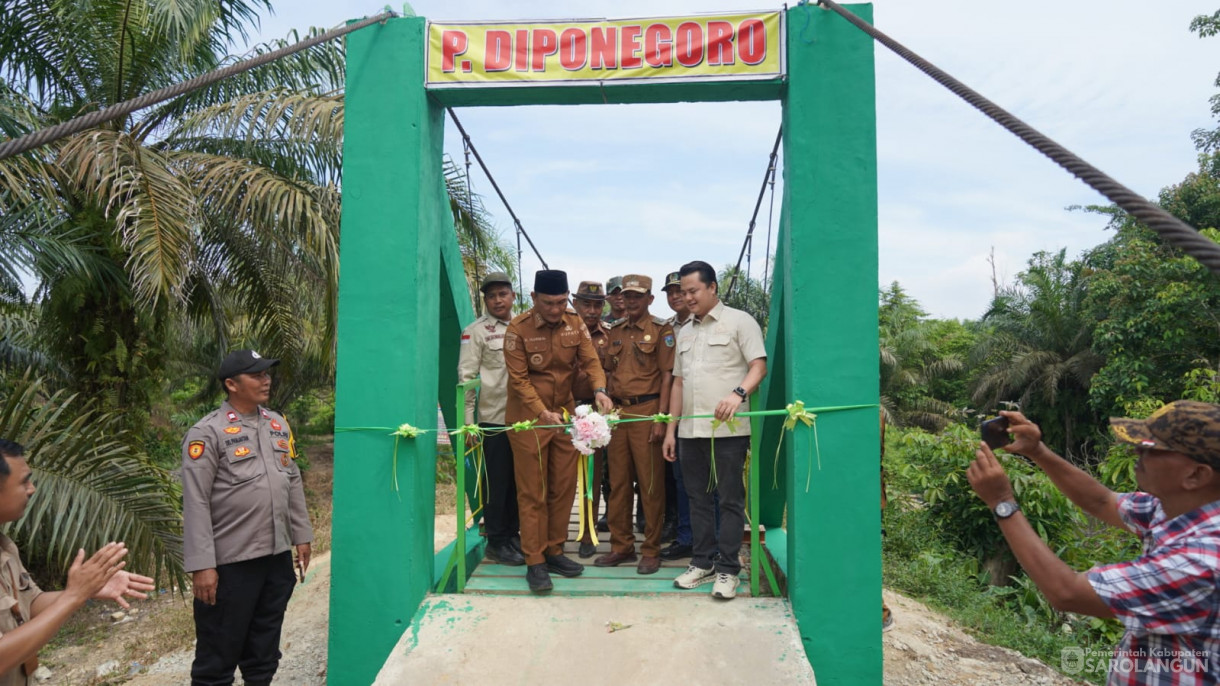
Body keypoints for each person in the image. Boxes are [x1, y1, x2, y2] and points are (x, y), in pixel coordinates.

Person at [967, 401, 1220, 684]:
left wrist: (1002, 502)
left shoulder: (1202, 561)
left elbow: (1067, 592)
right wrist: (1037, 451)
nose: (1137, 451)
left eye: (1152, 448)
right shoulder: (1175, 509)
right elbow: (1100, 501)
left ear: (1196, 475)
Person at [182, 350, 313, 686]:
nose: (265, 380)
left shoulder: (276, 424)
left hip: (275, 559)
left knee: (263, 654)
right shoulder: (207, 432)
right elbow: (195, 501)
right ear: (231, 384)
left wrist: (301, 535)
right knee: (217, 657)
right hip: (230, 564)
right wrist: (202, 565)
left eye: (267, 374)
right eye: (256, 375)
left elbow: (291, 479)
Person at [0, 439, 155, 685]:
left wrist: (88, 590)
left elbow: (31, 603)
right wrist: (73, 596)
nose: (32, 489)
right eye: (22, 482)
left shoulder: (5, 546)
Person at [662, 260, 767, 600]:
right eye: (683, 292)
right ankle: (702, 562)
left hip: (729, 430)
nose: (687, 298)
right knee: (698, 499)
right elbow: (678, 384)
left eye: (693, 291)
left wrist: (738, 394)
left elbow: (758, 366)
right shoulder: (686, 332)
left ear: (712, 288)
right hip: (690, 432)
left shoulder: (740, 321)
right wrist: (670, 430)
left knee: (730, 499)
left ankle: (728, 570)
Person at [503, 270, 613, 592]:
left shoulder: (574, 322)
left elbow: (591, 361)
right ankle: (535, 560)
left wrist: (600, 390)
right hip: (529, 420)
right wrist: (541, 412)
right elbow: (519, 380)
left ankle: (554, 550)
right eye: (548, 303)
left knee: (563, 489)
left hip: (564, 418)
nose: (555, 309)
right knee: (533, 492)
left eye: (561, 302)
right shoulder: (517, 329)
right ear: (534, 298)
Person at [595, 275, 675, 575]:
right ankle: (621, 546)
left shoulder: (661, 330)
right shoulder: (614, 331)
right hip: (618, 415)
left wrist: (661, 417)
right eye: (626, 296)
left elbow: (668, 376)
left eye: (637, 297)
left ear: (649, 299)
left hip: (647, 413)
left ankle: (651, 549)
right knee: (617, 483)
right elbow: (606, 371)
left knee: (650, 484)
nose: (630, 301)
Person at [457, 271, 524, 566]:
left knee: (519, 482)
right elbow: (466, 378)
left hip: (524, 419)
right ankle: (497, 540)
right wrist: (468, 421)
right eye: (491, 295)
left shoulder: (525, 326)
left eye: (503, 294)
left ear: (512, 296)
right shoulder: (477, 331)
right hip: (493, 419)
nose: (498, 300)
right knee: (497, 483)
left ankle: (513, 535)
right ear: (485, 300)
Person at [570, 281, 613, 559]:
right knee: (559, 477)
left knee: (593, 477)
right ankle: (552, 536)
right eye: (586, 303)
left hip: (594, 414)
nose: (593, 310)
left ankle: (588, 534)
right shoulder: (561, 331)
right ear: (575, 303)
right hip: (562, 410)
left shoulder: (609, 336)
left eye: (598, 305)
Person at [660, 270, 694, 561]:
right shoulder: (665, 328)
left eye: (680, 291)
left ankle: (717, 540)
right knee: (679, 478)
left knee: (715, 484)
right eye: (670, 293)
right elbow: (670, 376)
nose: (675, 297)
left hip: (706, 413)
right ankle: (685, 535)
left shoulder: (710, 324)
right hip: (675, 412)